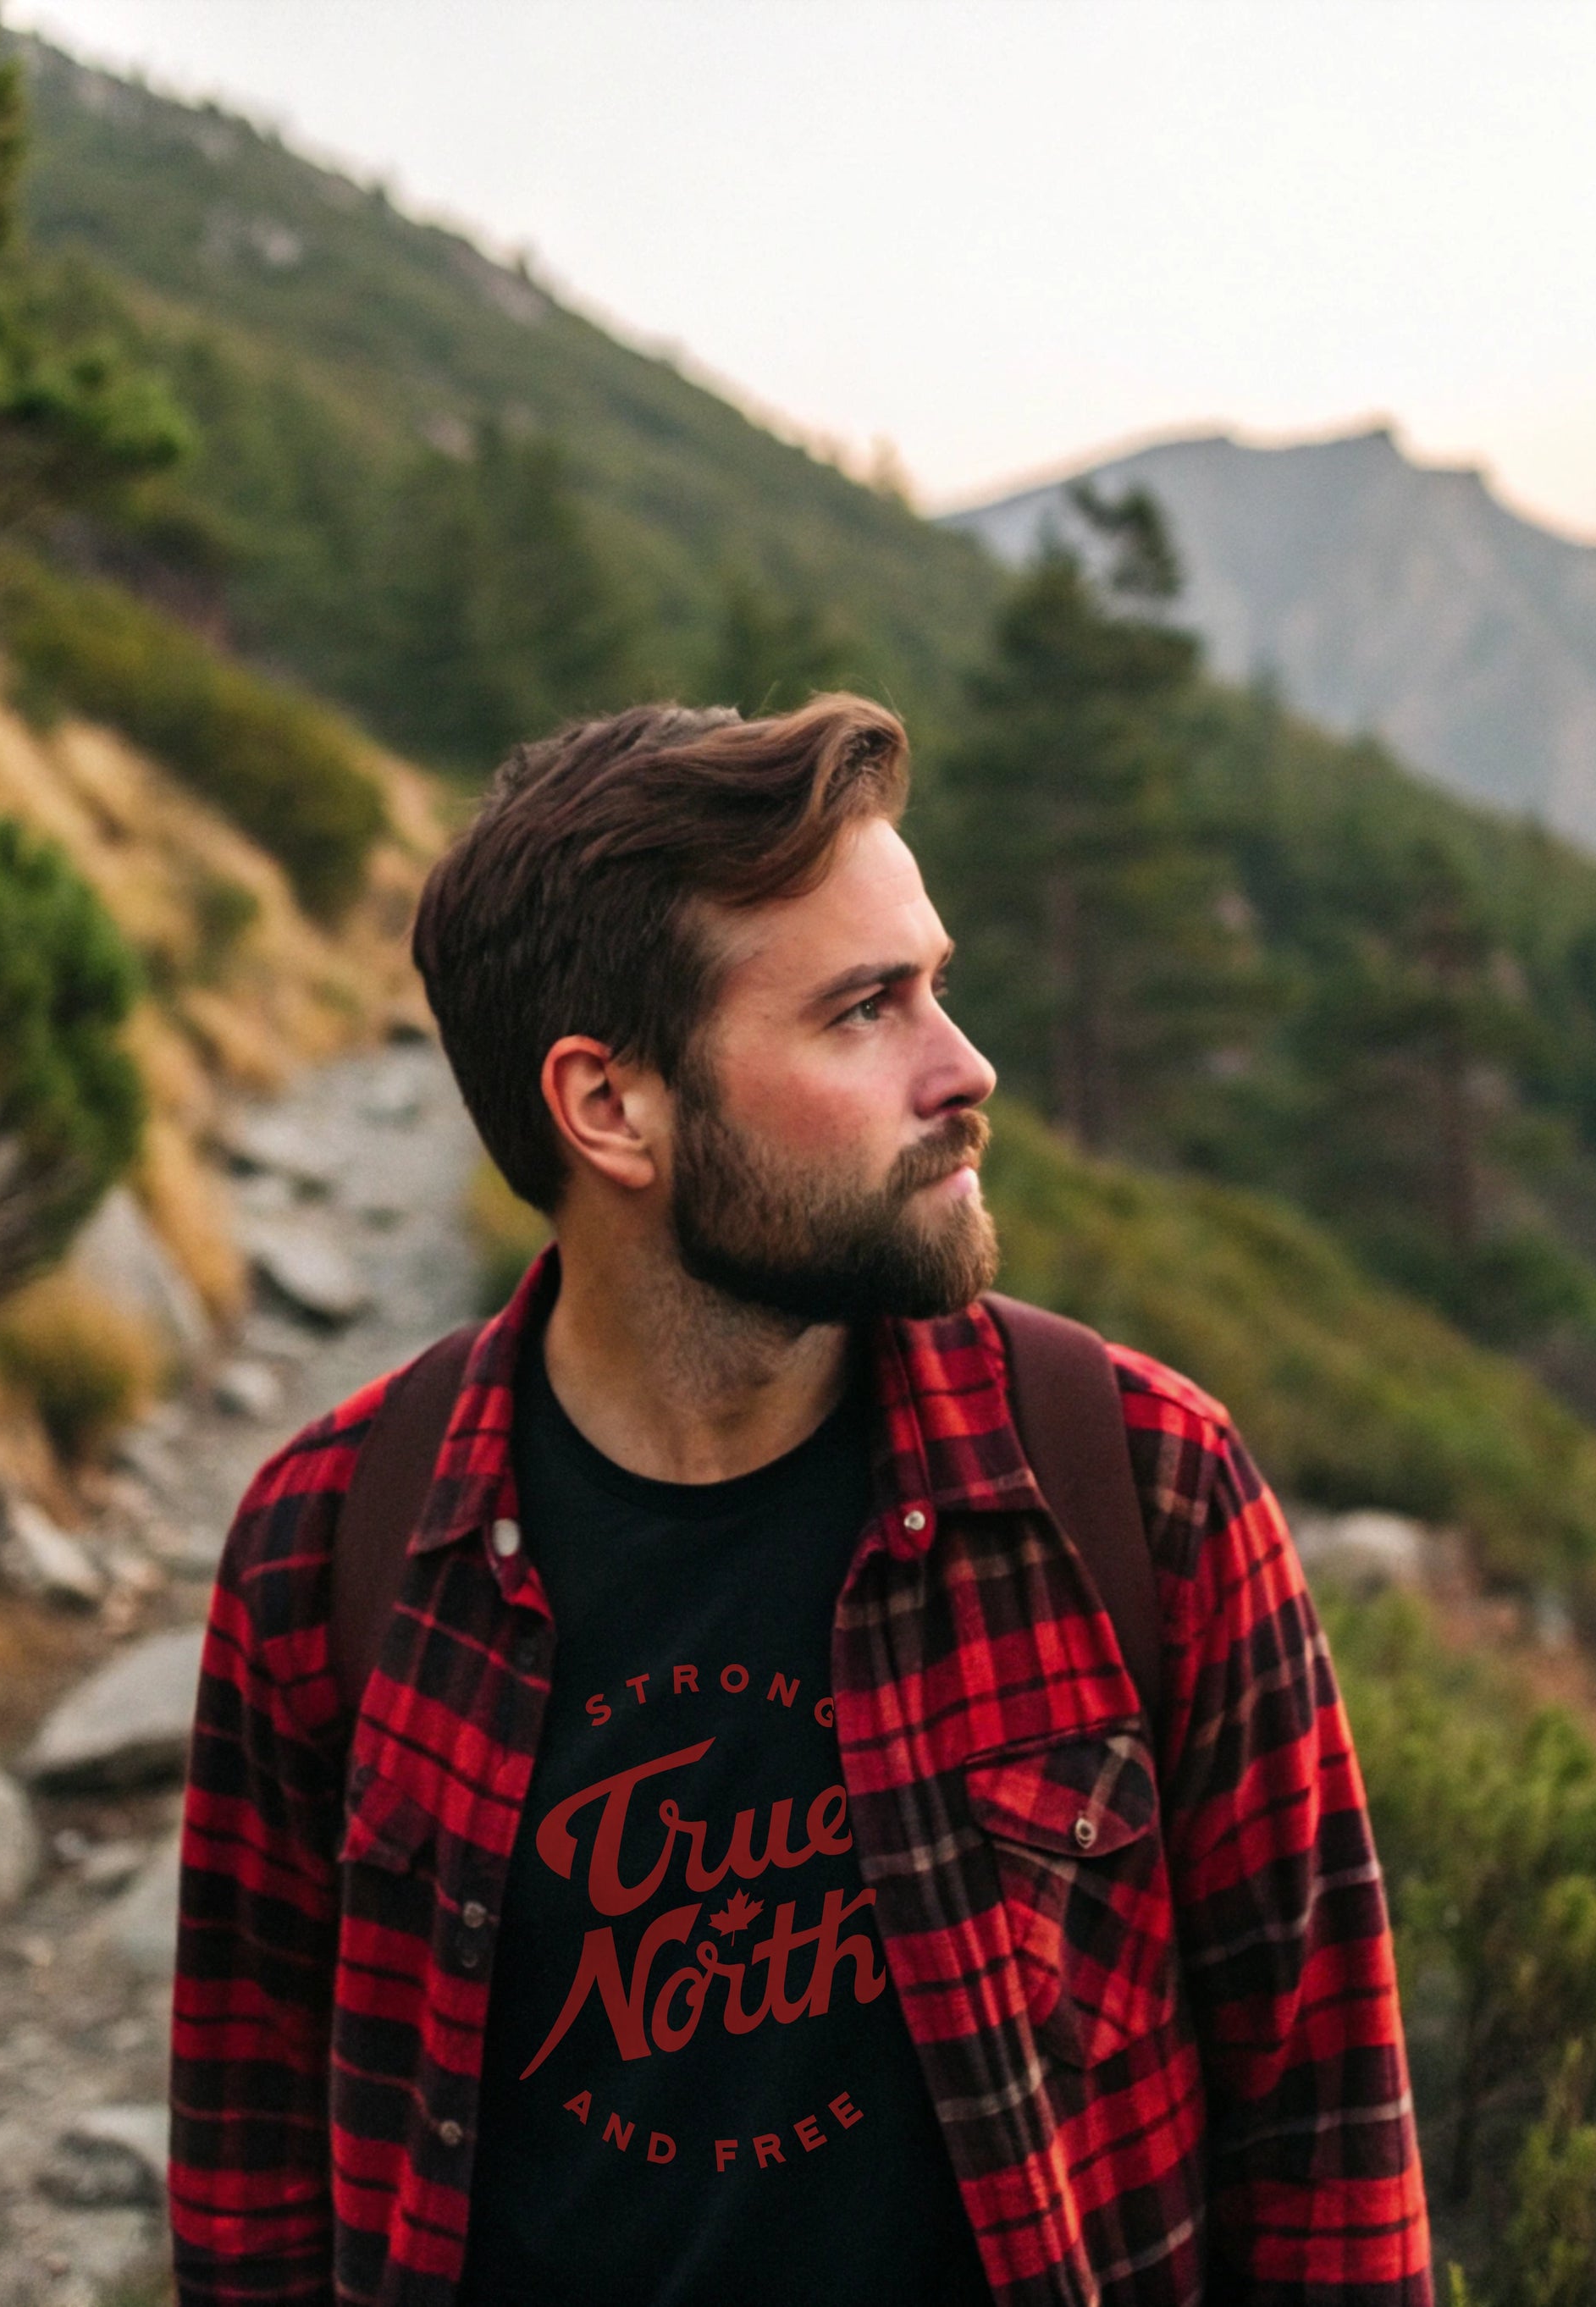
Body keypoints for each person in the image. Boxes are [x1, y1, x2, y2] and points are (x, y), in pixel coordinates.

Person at [167, 694, 1431, 2306]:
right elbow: (249, 2186)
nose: (964, 1069)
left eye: (938, 988)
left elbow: (1333, 2150)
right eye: (863, 1012)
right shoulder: (327, 1545)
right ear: (608, 1106)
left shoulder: (1135, 1482)